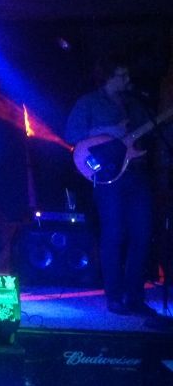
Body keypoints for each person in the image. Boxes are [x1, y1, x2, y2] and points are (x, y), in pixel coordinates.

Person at [65, 54, 156, 316]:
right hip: (108, 176)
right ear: (107, 77)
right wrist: (106, 131)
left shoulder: (134, 103)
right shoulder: (89, 102)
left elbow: (142, 135)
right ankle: (114, 296)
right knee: (114, 234)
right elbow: (71, 134)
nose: (127, 79)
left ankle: (135, 297)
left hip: (135, 173)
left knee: (142, 234)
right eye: (121, 75)